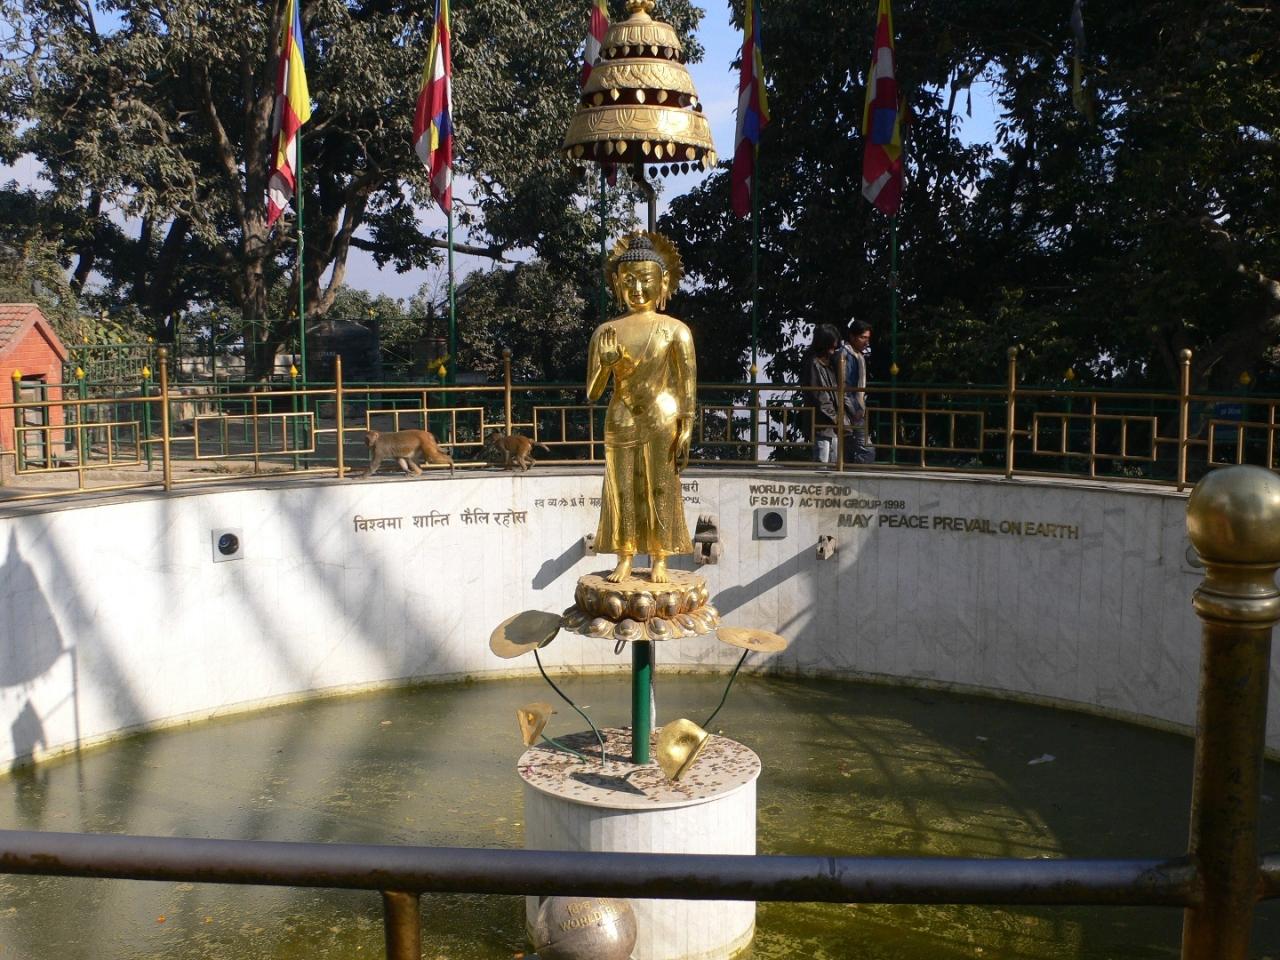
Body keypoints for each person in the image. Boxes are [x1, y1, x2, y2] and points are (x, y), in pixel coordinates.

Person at [586, 231, 695, 584]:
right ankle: (625, 555)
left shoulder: (675, 330)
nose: (636, 288)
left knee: (661, 487)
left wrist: (687, 426)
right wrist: (607, 365)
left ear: (663, 282)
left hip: (663, 418)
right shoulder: (607, 331)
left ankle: (660, 556)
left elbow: (687, 384)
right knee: (622, 491)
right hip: (621, 419)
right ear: (617, 283)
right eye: (628, 280)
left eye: (645, 279)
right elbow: (592, 393)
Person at [801, 323, 850, 465]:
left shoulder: (828, 363)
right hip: (822, 423)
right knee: (822, 464)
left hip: (830, 424)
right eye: (830, 347)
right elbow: (820, 397)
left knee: (833, 463)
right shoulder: (814, 364)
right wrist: (837, 419)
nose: (833, 351)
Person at [839, 320, 875, 464]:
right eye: (862, 337)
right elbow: (844, 386)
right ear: (852, 337)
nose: (866, 342)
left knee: (850, 449)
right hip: (851, 410)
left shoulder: (857, 355)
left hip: (855, 408)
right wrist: (855, 410)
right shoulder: (846, 355)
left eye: (867, 338)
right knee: (867, 450)